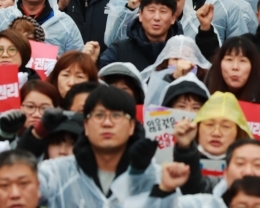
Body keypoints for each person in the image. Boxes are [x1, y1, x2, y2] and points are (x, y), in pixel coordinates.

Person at [35, 86, 192, 207]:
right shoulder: (56, 172)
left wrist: (162, 191)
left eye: (117, 115)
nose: (107, 123)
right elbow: (20, 189)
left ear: (131, 126)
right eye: (99, 115)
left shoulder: (156, 177)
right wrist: (33, 138)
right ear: (86, 126)